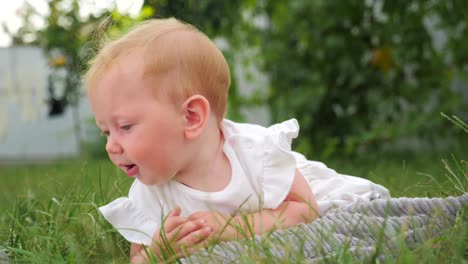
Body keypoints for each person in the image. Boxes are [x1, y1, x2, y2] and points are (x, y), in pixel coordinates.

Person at [85, 18, 390, 263]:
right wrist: (157, 252)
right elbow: (138, 258)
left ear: (191, 117)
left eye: (125, 126)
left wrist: (232, 229)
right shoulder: (149, 194)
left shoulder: (254, 152)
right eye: (106, 132)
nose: (111, 146)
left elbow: (304, 210)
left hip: (314, 195)